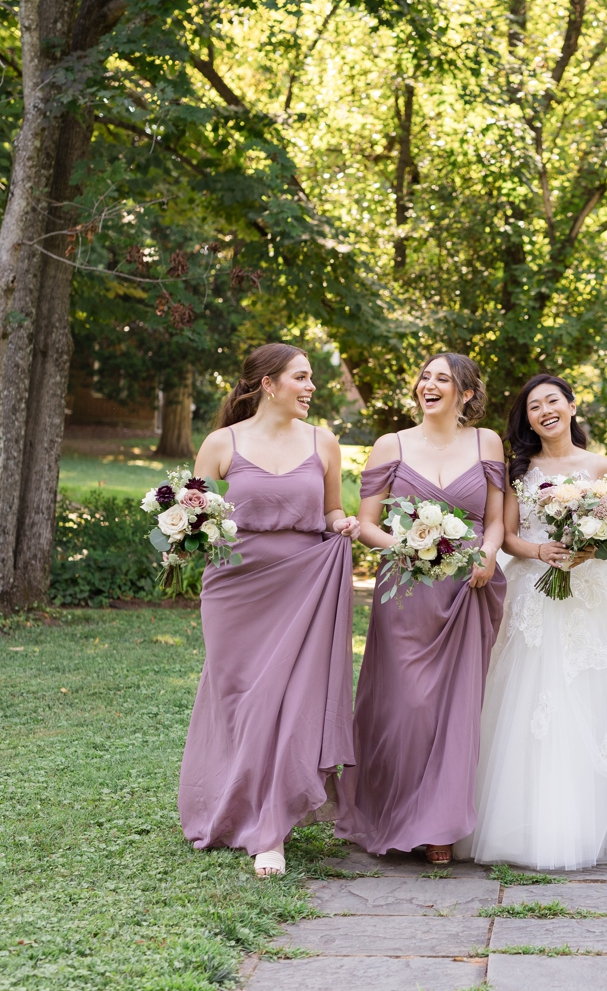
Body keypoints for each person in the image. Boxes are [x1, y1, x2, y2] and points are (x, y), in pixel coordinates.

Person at [458, 374, 607, 870]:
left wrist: (593, 545)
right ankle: (521, 825)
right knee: (527, 702)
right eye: (534, 406)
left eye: (553, 401)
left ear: (572, 407)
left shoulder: (599, 466)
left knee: (588, 700)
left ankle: (586, 824)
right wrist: (541, 551)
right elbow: (507, 535)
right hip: (534, 592)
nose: (545, 410)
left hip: (585, 597)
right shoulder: (520, 469)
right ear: (527, 418)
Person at [180, 343, 361, 877]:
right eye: (301, 378)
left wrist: (342, 524)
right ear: (268, 384)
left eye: (311, 380)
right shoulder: (220, 445)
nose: (310, 388)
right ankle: (231, 806)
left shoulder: (323, 443)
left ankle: (272, 832)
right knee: (239, 701)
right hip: (234, 591)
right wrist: (180, 532)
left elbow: (330, 512)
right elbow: (198, 516)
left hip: (305, 585)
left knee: (290, 705)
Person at [343, 353, 506, 865]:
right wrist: (407, 547)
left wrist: (487, 553)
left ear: (466, 395)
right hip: (407, 593)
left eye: (443, 379)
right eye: (425, 377)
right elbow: (367, 523)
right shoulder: (391, 445)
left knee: (456, 710)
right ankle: (394, 814)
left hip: (466, 591)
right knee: (405, 709)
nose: (429, 385)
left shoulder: (487, 443)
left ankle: (439, 827)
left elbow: (496, 520)